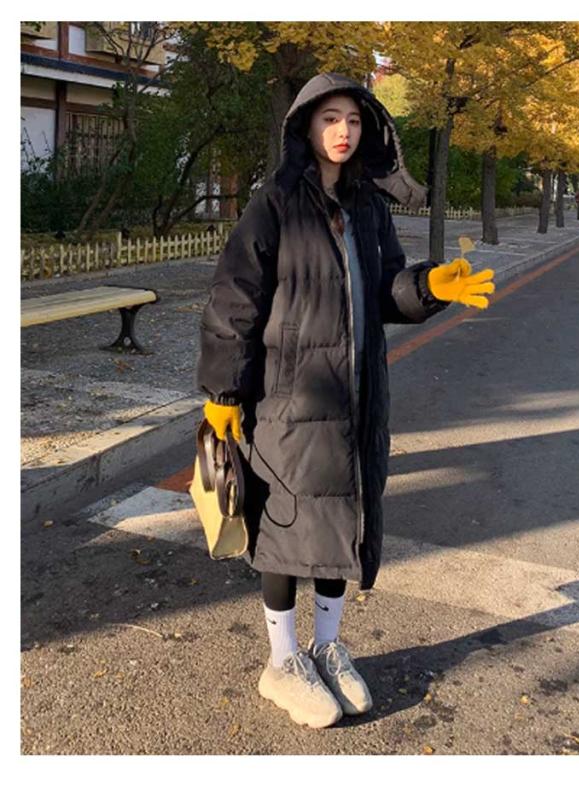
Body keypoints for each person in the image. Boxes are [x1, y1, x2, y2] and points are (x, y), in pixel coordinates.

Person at [196, 72, 495, 728]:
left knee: (342, 520)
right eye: (330, 118)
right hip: (287, 397)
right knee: (284, 528)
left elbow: (386, 289)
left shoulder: (368, 206)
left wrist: (430, 287)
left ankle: (327, 646)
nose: (343, 131)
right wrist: (222, 391)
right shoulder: (275, 202)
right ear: (306, 124)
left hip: (356, 395)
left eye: (354, 120)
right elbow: (233, 299)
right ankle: (281, 660)